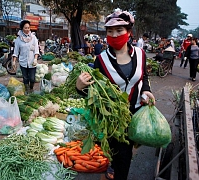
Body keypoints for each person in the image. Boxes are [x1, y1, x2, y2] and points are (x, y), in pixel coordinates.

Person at [76, 10, 155, 180]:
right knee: (121, 156)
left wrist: (147, 90)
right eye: (110, 31)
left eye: (119, 30)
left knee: (124, 156)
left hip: (135, 113)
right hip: (113, 118)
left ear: (129, 32)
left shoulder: (141, 55)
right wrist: (79, 87)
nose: (114, 35)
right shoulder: (101, 60)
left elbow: (144, 77)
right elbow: (95, 92)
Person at [12, 20, 40, 94]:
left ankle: (31, 88)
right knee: (25, 78)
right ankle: (28, 90)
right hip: (23, 62)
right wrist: (14, 61)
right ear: (22, 28)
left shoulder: (33, 38)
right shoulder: (18, 40)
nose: (27, 29)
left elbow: (36, 50)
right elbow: (16, 51)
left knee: (32, 78)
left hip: (32, 62)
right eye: (25, 28)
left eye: (28, 28)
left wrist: (35, 59)